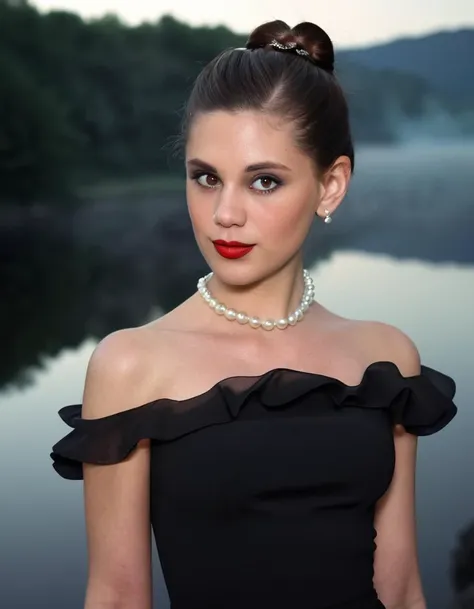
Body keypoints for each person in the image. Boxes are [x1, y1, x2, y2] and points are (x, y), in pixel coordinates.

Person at [50, 19, 458, 609]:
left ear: (331, 187)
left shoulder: (387, 358)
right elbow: (115, 596)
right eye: (206, 178)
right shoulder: (132, 365)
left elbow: (400, 589)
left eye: (264, 181)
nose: (225, 214)